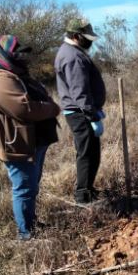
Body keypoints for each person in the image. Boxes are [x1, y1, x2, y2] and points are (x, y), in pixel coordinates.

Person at [0, 35, 60, 240]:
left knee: (31, 184)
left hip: (29, 140)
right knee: (24, 187)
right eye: (17, 53)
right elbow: (24, 109)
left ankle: (31, 223)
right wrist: (52, 108)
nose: (22, 57)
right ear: (0, 54)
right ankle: (26, 234)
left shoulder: (11, 73)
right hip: (15, 142)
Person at [55, 18, 106, 204]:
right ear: (76, 36)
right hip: (80, 113)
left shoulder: (74, 52)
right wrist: (92, 115)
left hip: (83, 111)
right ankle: (83, 197)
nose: (91, 42)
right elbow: (79, 91)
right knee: (86, 154)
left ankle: (89, 190)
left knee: (92, 153)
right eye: (87, 38)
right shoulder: (72, 56)